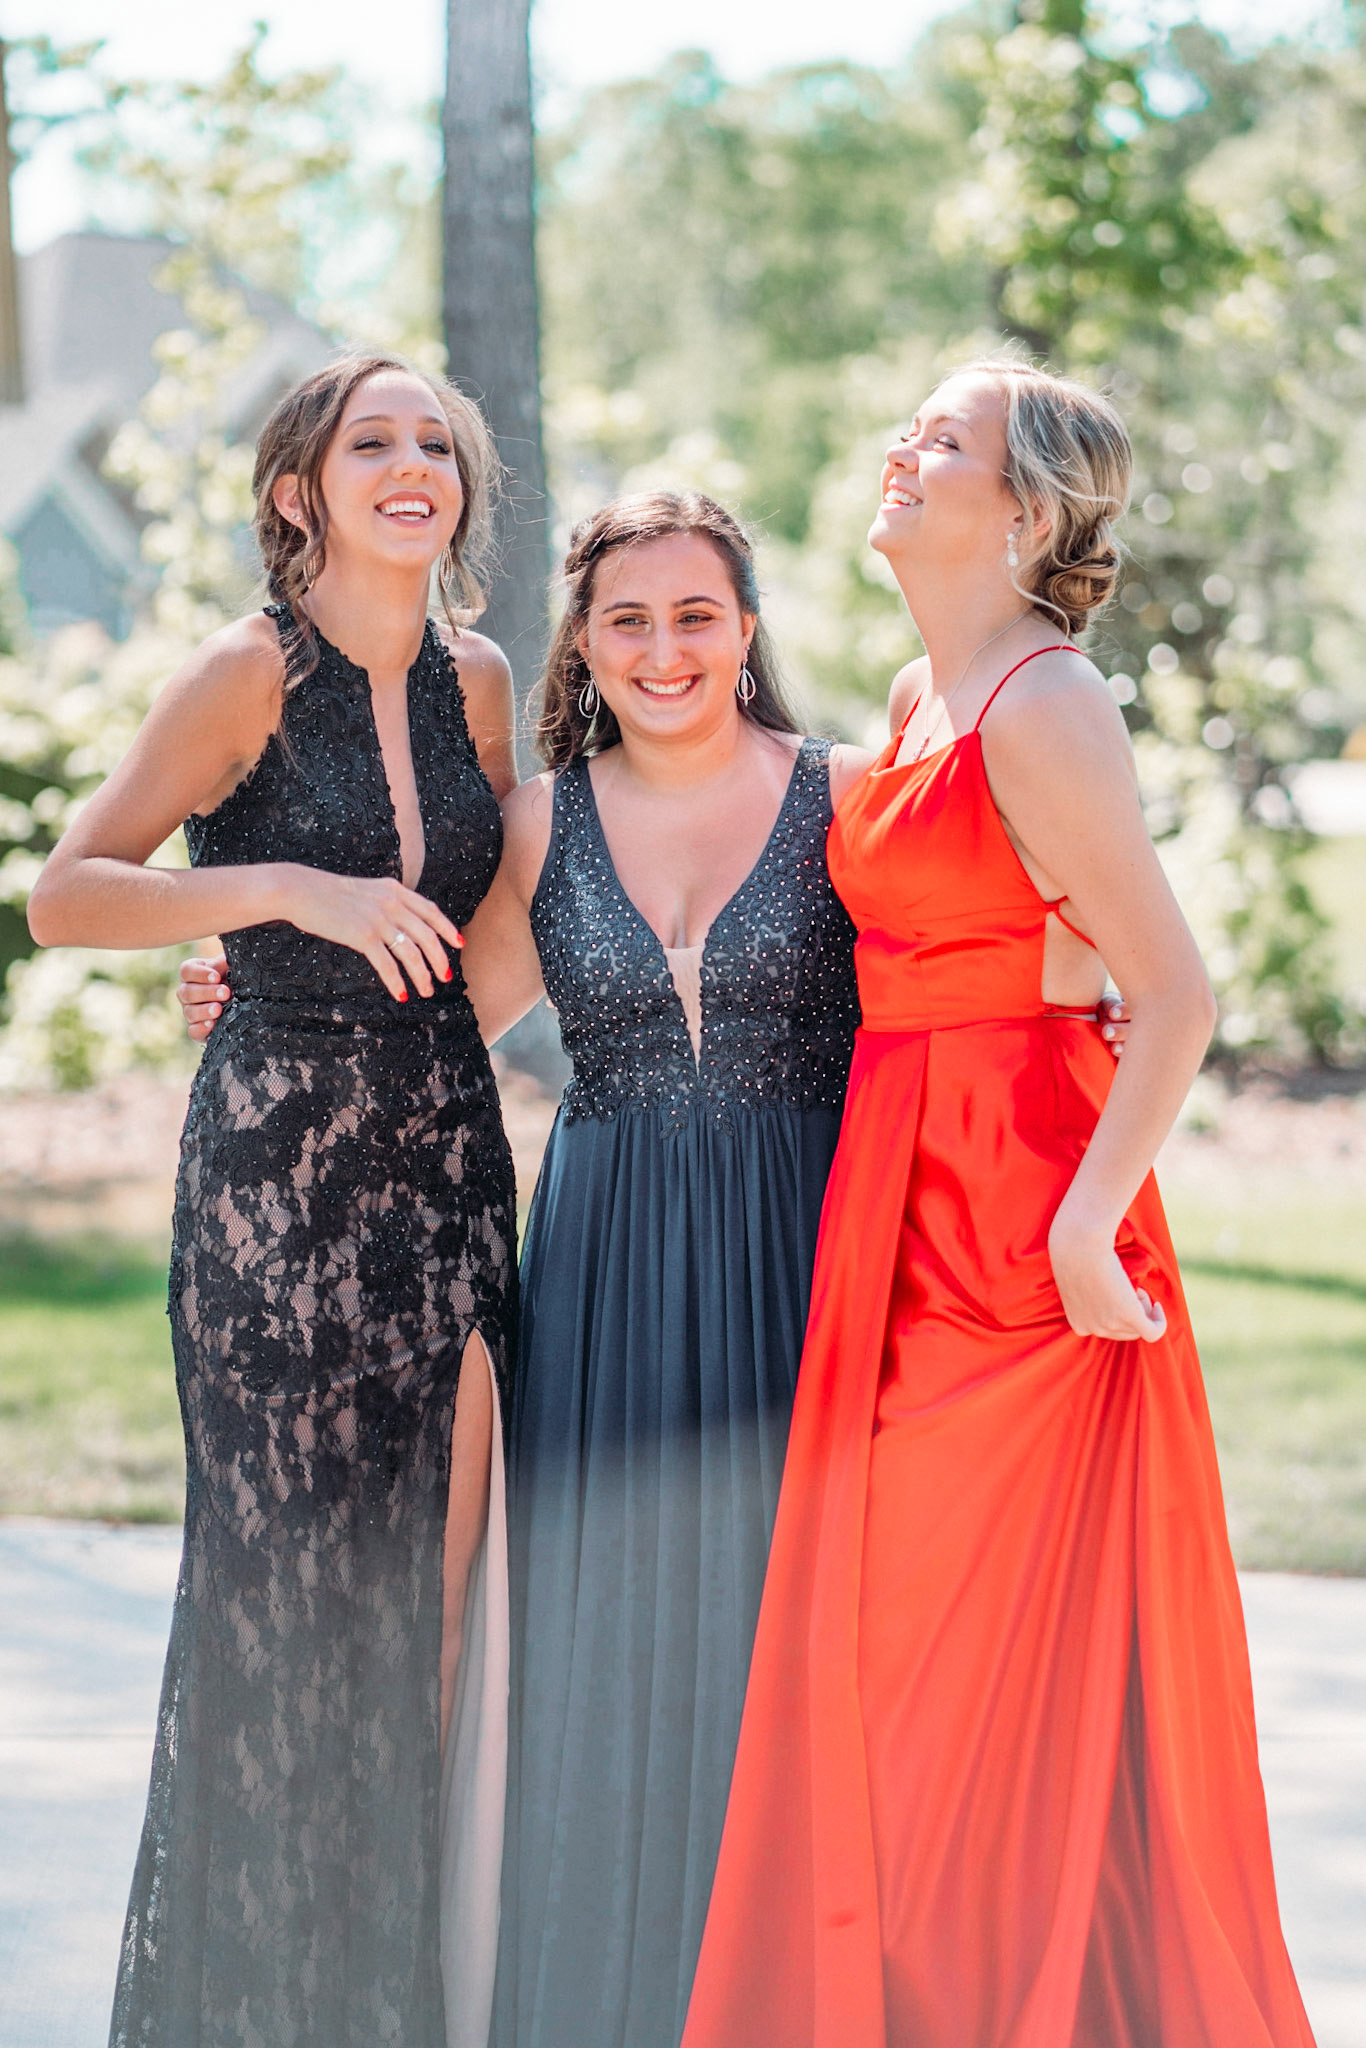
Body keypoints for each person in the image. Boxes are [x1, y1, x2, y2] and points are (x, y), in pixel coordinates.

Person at [176, 488, 1130, 2048]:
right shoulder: (539, 824)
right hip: (606, 1270)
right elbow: (431, 1020)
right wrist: (264, 984)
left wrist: (1089, 1016)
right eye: (627, 619)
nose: (663, 649)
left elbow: (997, 939)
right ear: (585, 641)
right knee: (609, 1635)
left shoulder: (846, 796)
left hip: (815, 1255)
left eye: (695, 615)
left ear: (746, 629)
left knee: (805, 1638)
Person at [682, 362, 1316, 2048]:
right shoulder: (915, 691)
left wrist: (1084, 1225)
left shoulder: (1046, 703)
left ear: (1025, 512)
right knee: (879, 1668)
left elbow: (1170, 993)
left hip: (1019, 1224)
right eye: (912, 426)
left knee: (949, 1688)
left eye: (944, 441)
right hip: (893, 1188)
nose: (903, 450)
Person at [27, 354, 520, 2048]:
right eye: (371, 440)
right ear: (299, 490)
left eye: (434, 441)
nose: (412, 463)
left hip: (449, 1181)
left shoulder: (479, 680)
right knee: (285, 1618)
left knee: (432, 1626)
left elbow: (498, 928)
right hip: (275, 1197)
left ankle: (399, 2007)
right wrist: (284, 895)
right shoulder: (243, 673)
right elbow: (70, 895)